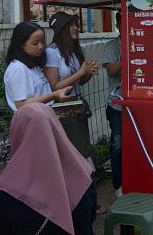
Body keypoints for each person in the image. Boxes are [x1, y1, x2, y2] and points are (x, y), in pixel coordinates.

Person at [0, 103, 96, 235]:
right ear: (56, 128)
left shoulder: (6, 191)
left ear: (17, 132)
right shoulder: (83, 175)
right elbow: (88, 221)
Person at [3, 22, 72, 112]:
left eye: (43, 42)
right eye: (35, 43)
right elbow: (21, 105)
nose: (41, 47)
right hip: (31, 121)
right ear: (21, 44)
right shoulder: (18, 68)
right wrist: (54, 95)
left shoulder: (33, 66)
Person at [44, 12, 99, 98]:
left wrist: (89, 71)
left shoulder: (73, 51)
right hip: (61, 107)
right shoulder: (51, 52)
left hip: (76, 102)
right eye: (71, 25)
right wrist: (82, 72)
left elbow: (80, 82)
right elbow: (54, 88)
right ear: (61, 29)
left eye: (76, 25)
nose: (76, 28)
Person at [102, 12, 123, 198]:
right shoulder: (111, 46)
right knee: (118, 145)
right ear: (118, 25)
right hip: (116, 106)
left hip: (138, 107)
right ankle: (118, 186)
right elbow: (111, 71)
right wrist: (132, 56)